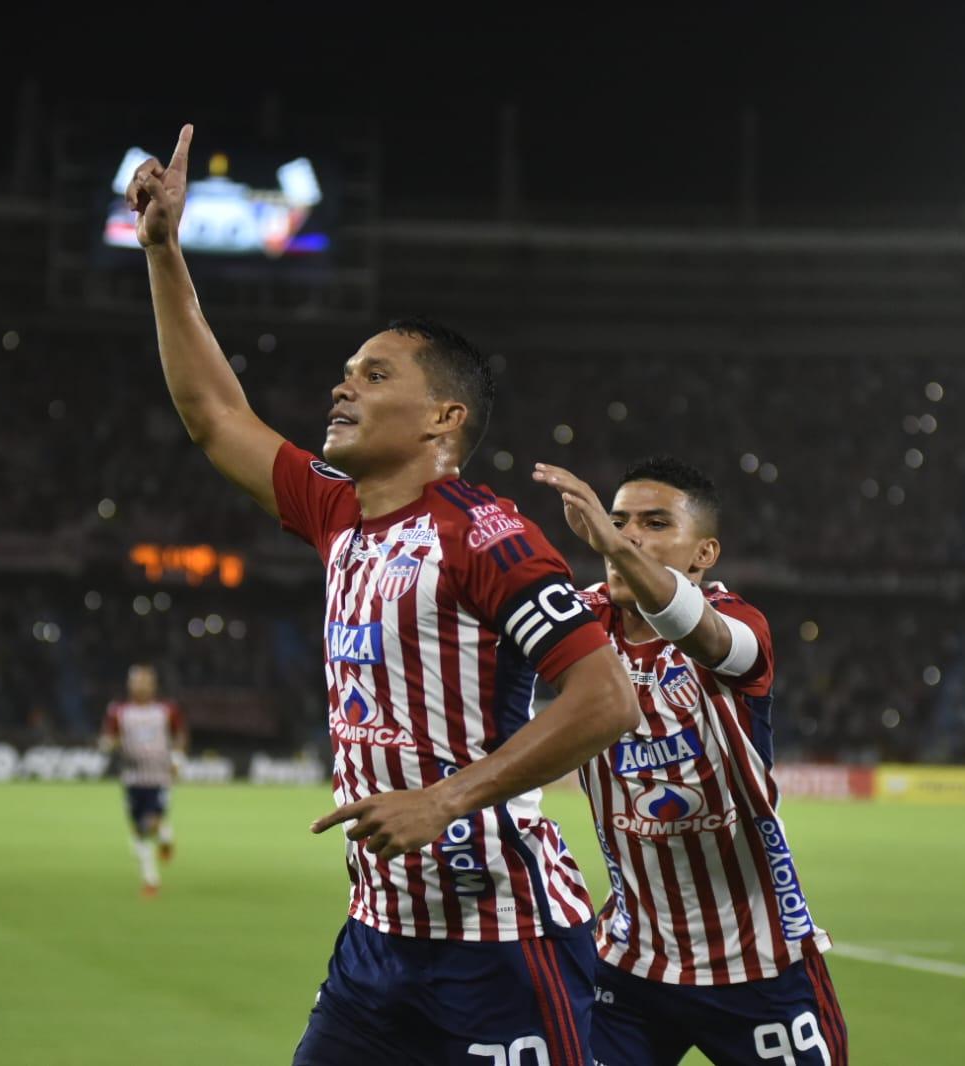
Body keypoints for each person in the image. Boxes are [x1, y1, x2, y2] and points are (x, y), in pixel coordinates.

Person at [128, 125, 636, 1064]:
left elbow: (607, 697)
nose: (341, 384)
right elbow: (213, 415)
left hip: (504, 944)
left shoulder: (484, 533)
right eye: (346, 371)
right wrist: (163, 250)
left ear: (444, 417)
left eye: (374, 373)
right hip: (376, 944)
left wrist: (445, 800)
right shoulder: (337, 514)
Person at [534, 456, 846, 1065]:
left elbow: (700, 634)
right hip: (628, 966)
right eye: (618, 520)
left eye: (653, 524)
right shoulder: (582, 622)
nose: (625, 535)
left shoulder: (737, 626)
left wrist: (616, 547)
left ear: (705, 554)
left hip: (759, 966)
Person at [99, 664, 186, 896]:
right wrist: (108, 745)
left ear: (153, 685)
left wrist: (177, 759)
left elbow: (179, 734)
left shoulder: (166, 710)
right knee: (138, 830)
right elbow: (110, 737)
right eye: (136, 681)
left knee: (151, 822)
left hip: (159, 777)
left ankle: (163, 835)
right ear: (129, 684)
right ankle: (150, 878)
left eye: (145, 681)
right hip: (132, 778)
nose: (140, 686)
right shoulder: (118, 711)